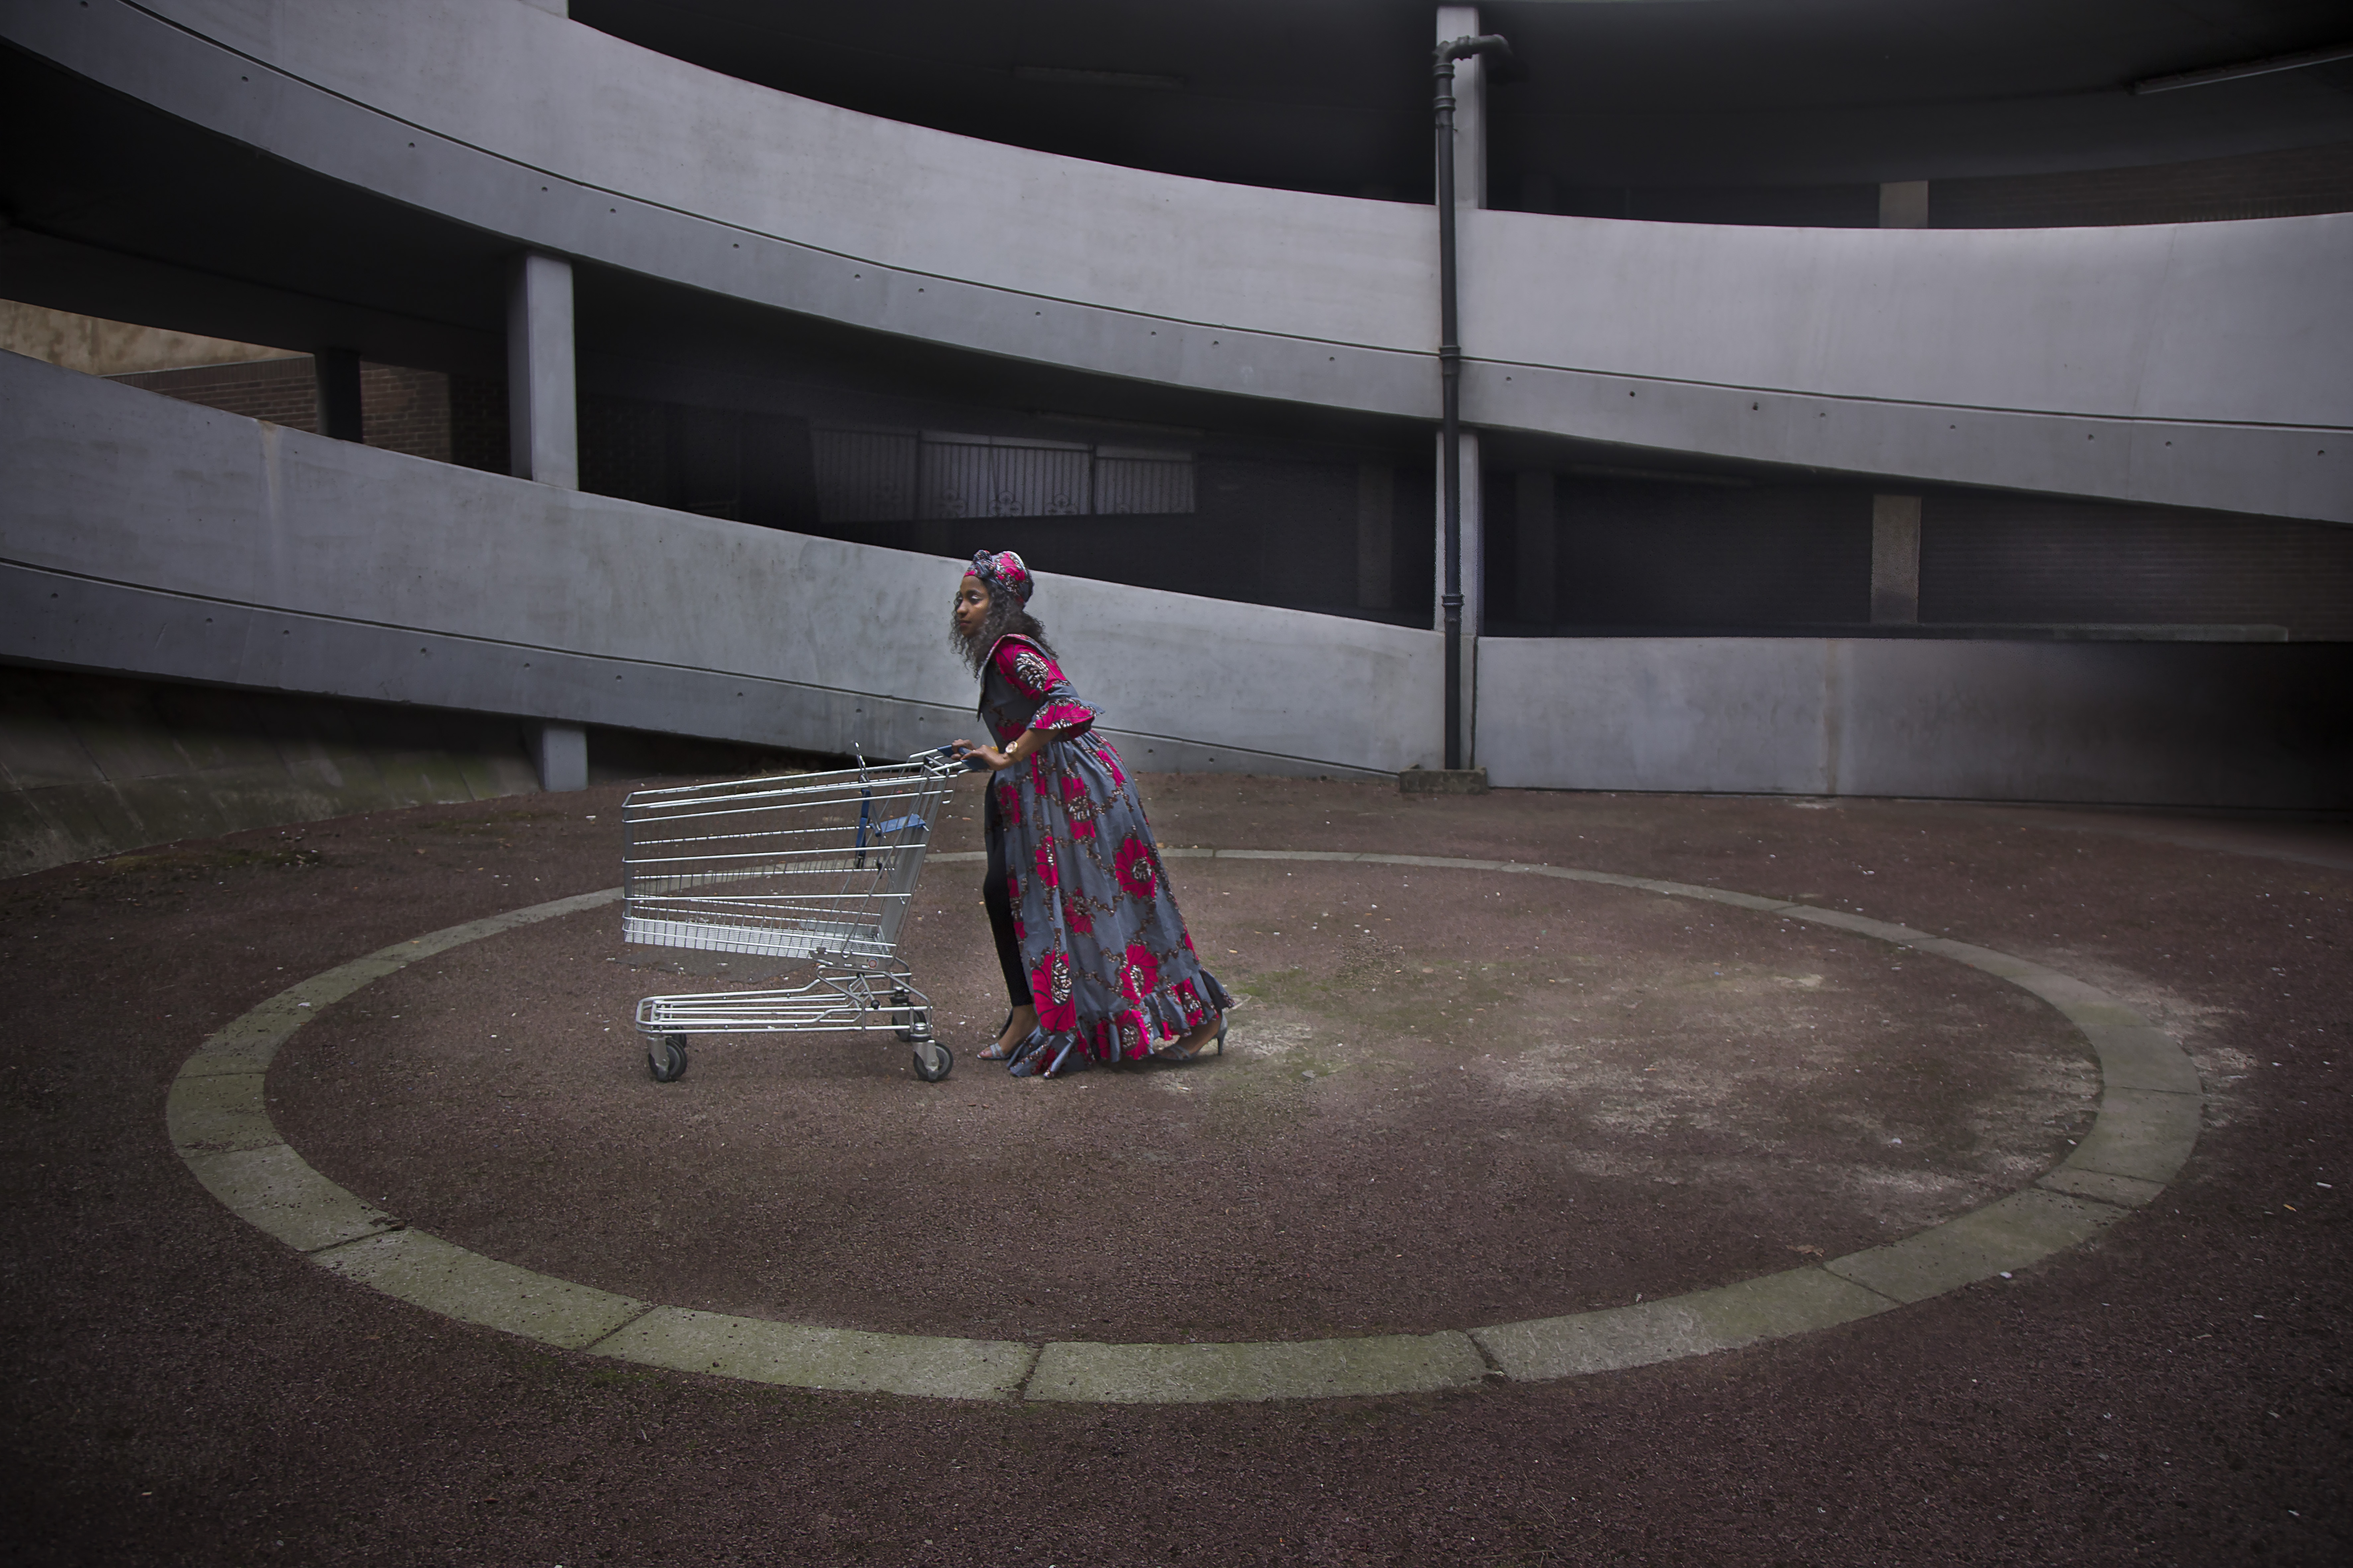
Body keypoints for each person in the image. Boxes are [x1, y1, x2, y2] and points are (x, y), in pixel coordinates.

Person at [949, 549, 1232, 1077]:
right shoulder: (1001, 654)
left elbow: (1065, 703)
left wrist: (1008, 754)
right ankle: (1029, 1013)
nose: (962, 609)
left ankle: (1202, 1018)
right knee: (1008, 894)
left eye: (974, 598)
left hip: (1076, 791)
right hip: (1043, 790)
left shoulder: (1012, 650)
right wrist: (995, 751)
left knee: (1117, 901)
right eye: (960, 599)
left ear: (1002, 605)